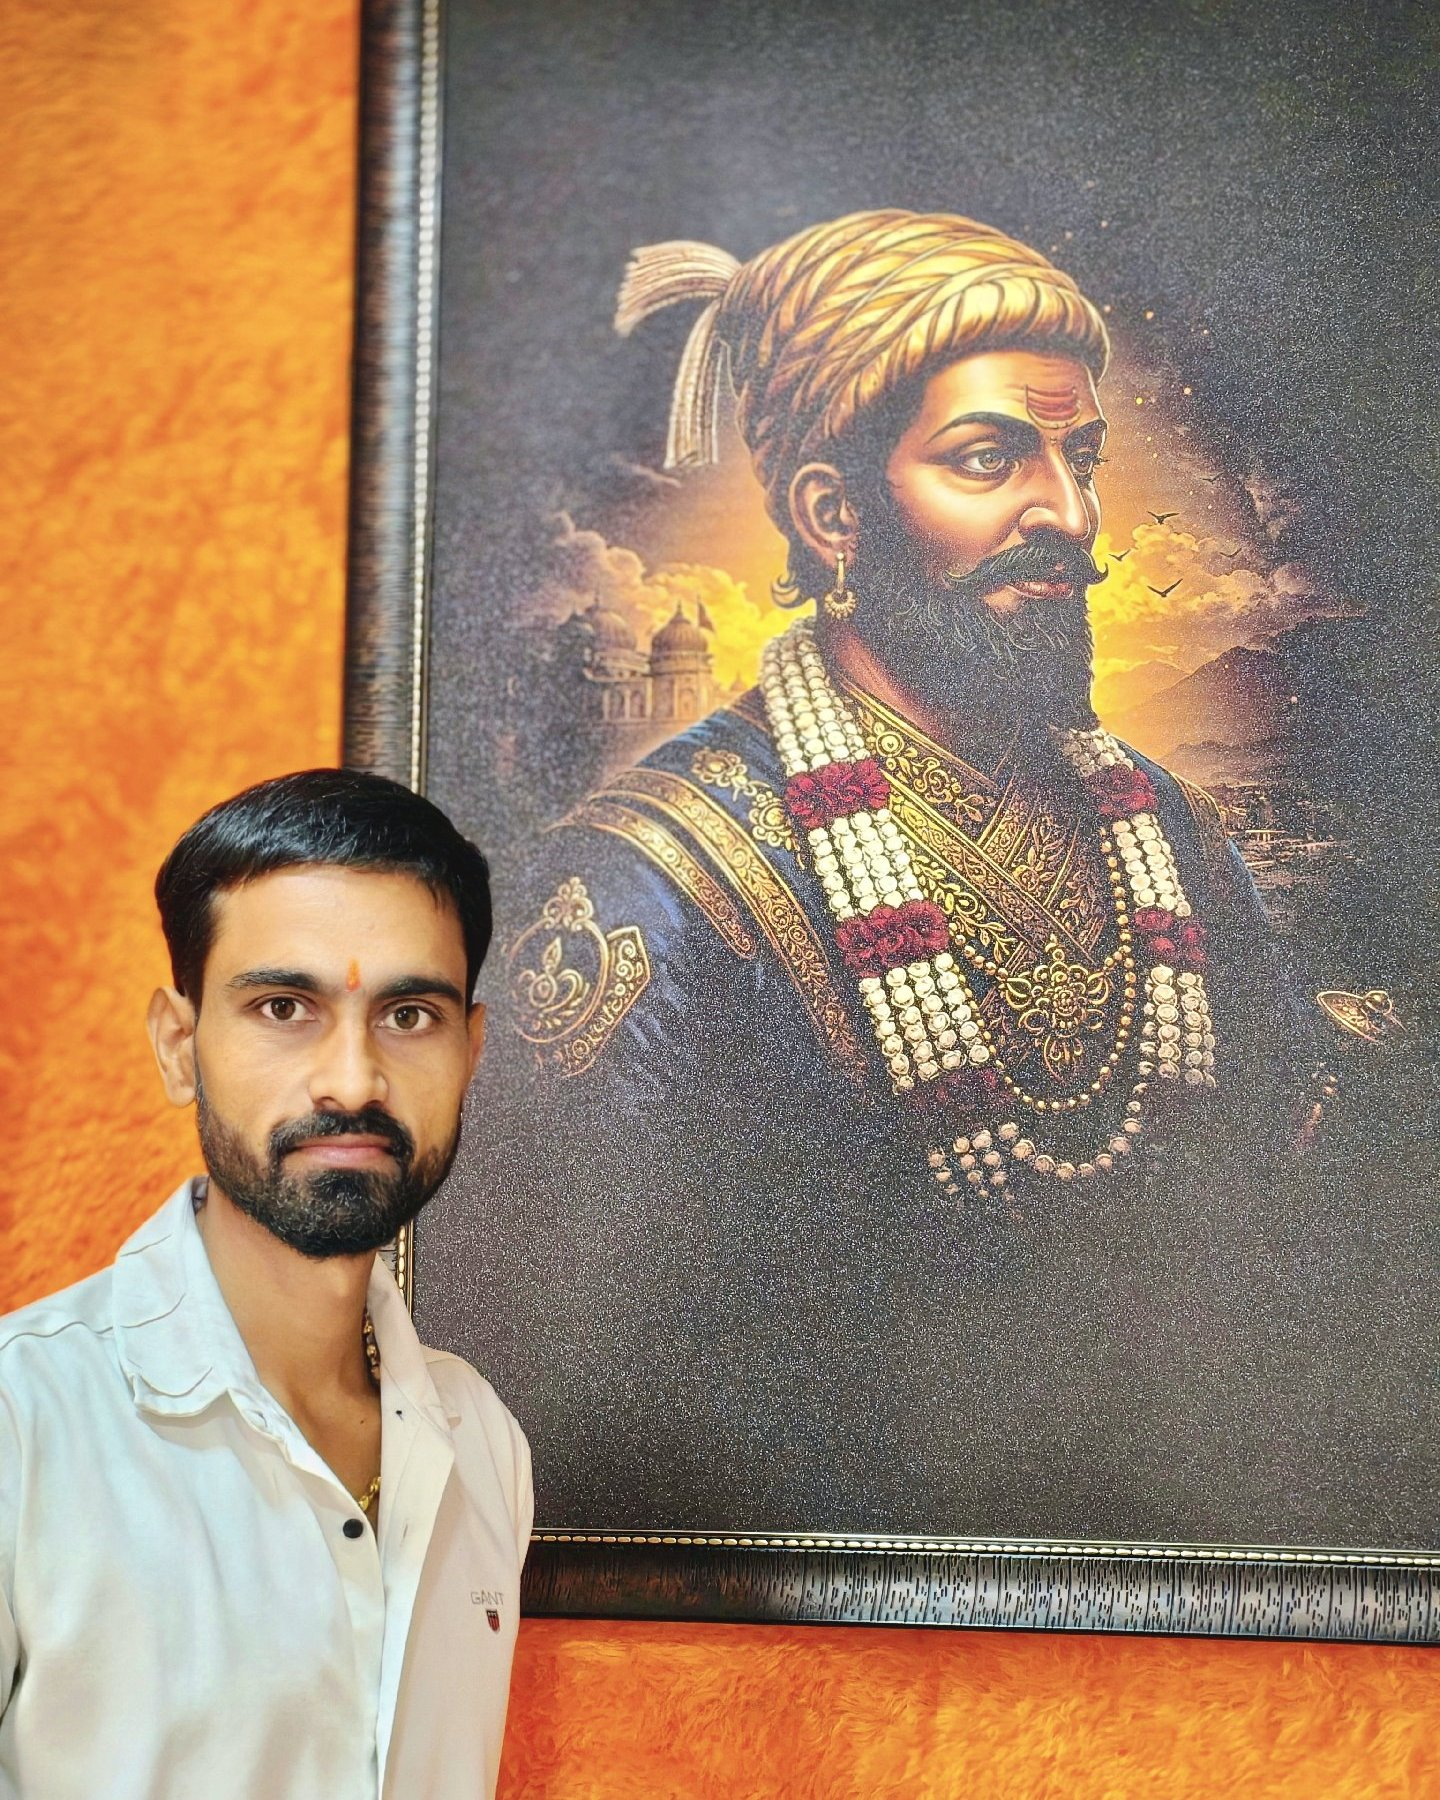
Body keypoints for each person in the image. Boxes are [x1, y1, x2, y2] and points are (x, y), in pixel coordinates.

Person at [452, 211, 1423, 1548]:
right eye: (987, 459)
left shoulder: (1172, 834)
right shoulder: (655, 886)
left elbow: (1293, 1198)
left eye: (1081, 459)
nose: (1068, 516)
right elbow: (585, 1365)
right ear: (833, 512)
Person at [0, 770, 532, 1800]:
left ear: (471, 1051)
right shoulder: (23, 1426)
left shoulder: (481, 1442)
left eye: (409, 1014)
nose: (353, 1080)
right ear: (179, 1046)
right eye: (284, 1007)